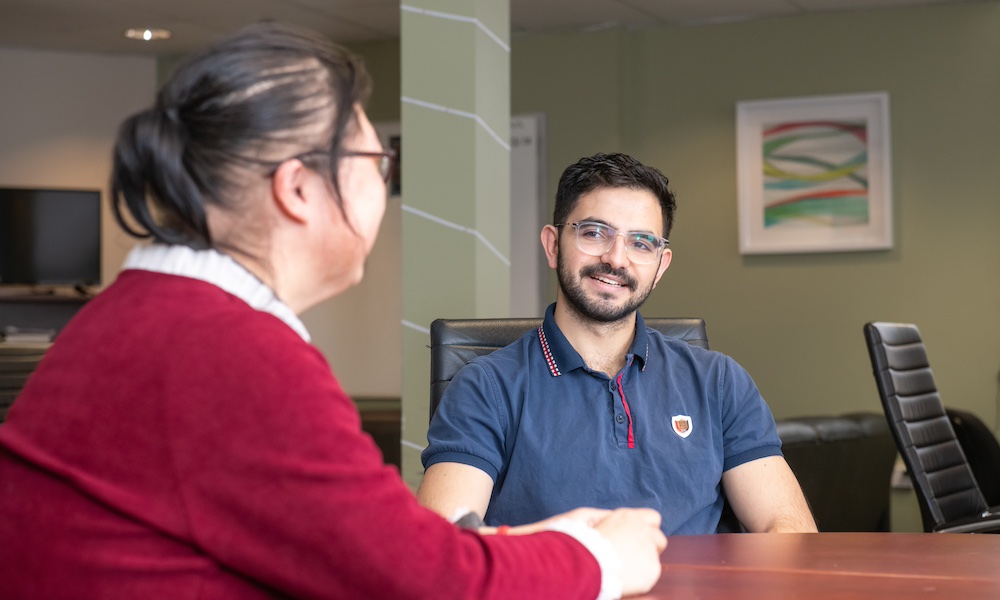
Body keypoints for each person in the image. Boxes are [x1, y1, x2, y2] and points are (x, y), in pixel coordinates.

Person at [0, 24, 667, 599]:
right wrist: (602, 560)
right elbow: (422, 585)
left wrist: (526, 545)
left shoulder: (139, 317)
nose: (385, 183)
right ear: (297, 189)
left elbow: (368, 550)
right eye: (377, 161)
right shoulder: (227, 353)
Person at [418, 153, 817, 536]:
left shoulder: (719, 382)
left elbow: (786, 528)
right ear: (553, 245)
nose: (616, 258)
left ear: (660, 265)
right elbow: (443, 544)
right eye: (594, 233)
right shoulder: (485, 387)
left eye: (641, 243)